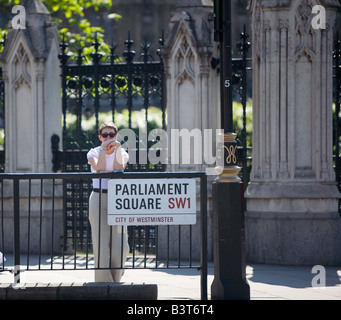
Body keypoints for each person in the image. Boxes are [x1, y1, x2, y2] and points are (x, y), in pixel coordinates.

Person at [87, 121, 129, 282]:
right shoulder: (94, 152)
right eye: (105, 135)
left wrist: (116, 149)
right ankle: (104, 282)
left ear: (116, 136)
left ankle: (116, 279)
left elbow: (119, 168)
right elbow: (100, 168)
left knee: (121, 245)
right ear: (99, 137)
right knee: (101, 243)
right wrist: (105, 150)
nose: (108, 137)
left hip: (117, 199)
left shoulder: (123, 152)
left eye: (111, 134)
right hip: (98, 198)